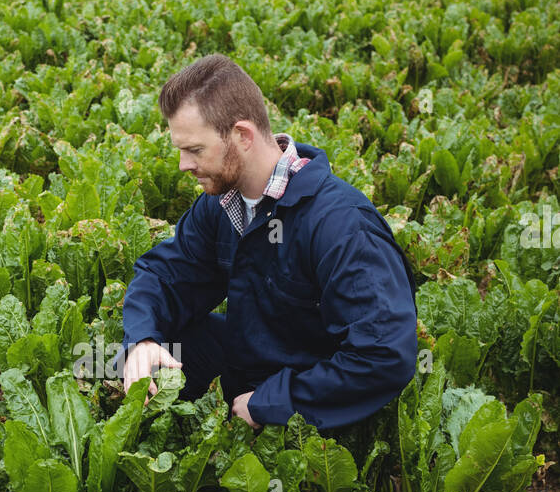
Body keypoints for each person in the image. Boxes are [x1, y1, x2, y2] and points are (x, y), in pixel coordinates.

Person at [120, 53, 418, 433]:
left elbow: (384, 356)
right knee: (122, 361)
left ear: (242, 135)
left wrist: (270, 403)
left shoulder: (341, 225)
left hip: (310, 393)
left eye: (194, 150)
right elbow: (164, 275)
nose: (183, 164)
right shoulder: (221, 203)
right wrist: (142, 340)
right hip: (248, 359)